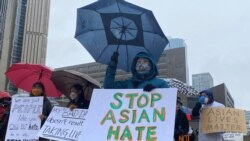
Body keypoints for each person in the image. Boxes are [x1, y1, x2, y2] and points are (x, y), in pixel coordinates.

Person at [104, 51, 169, 90]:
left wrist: (156, 92)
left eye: (145, 61)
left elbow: (168, 102)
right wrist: (112, 64)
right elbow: (108, 86)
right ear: (134, 66)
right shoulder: (128, 83)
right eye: (138, 62)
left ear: (151, 66)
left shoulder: (161, 83)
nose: (141, 63)